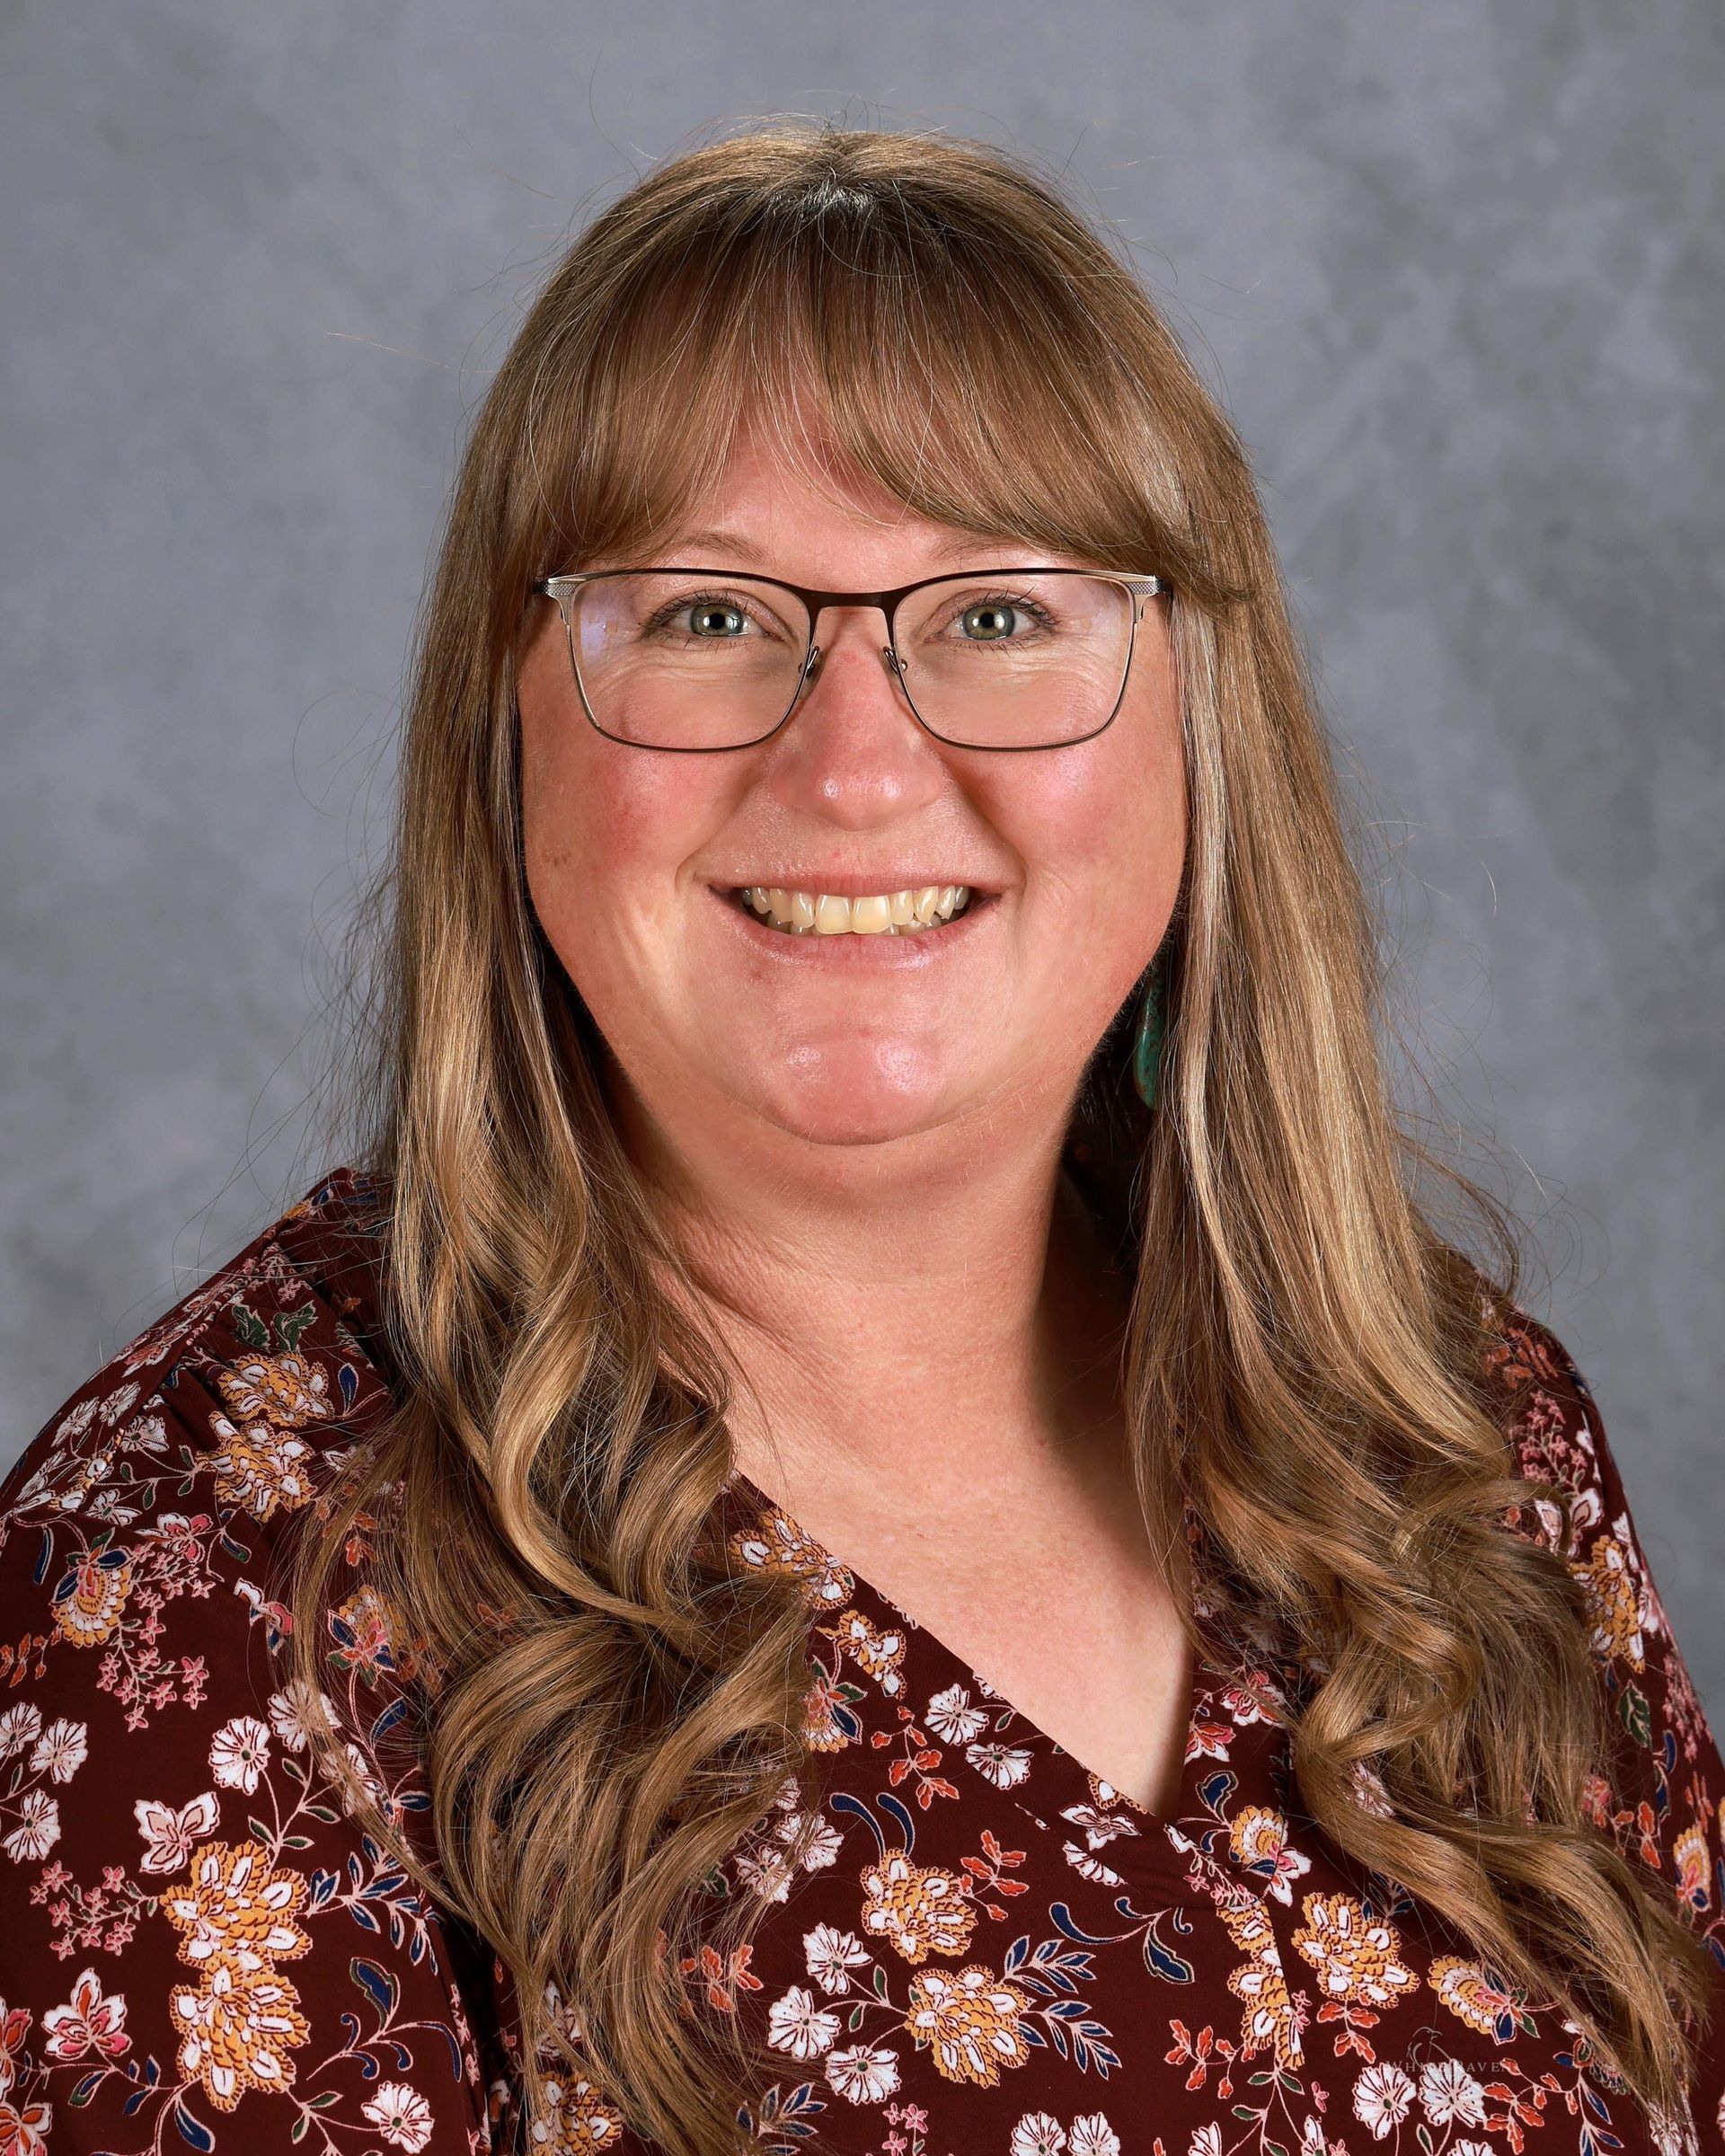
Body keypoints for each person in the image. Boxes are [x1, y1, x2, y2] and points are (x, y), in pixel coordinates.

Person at [0, 125, 1719, 2156]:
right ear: (510, 729)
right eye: (709, 615)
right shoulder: (185, 1614)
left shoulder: (1460, 1456)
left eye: (997, 615)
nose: (858, 764)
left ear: (1201, 726)